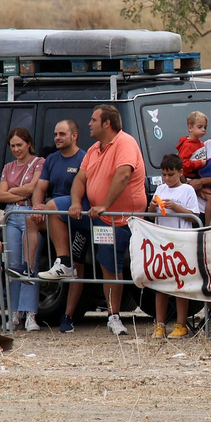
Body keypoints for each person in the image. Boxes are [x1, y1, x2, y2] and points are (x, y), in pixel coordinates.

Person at [69, 104, 148, 336]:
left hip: (122, 218)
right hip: (100, 216)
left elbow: (124, 175)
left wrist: (105, 205)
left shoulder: (125, 143)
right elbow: (80, 179)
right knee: (107, 267)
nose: (89, 124)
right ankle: (64, 261)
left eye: (93, 120)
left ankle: (116, 315)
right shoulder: (94, 149)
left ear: (107, 123)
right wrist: (75, 202)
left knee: (116, 267)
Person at [34, 119, 90, 331]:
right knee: (31, 218)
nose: (57, 138)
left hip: (76, 215)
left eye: (62, 134)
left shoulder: (84, 158)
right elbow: (40, 187)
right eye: (55, 134)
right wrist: (36, 206)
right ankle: (28, 268)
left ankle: (67, 316)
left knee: (78, 268)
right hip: (53, 213)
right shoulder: (51, 159)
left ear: (74, 136)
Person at [148, 153, 204, 338]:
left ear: (180, 172)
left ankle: (181, 324)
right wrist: (151, 207)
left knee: (180, 283)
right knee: (161, 284)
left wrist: (176, 207)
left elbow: (194, 216)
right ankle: (160, 324)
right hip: (161, 241)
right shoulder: (160, 188)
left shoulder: (187, 190)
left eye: (171, 175)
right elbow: (150, 216)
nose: (167, 179)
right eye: (164, 174)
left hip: (180, 241)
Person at [0, 127, 44, 333]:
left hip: (29, 214)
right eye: (13, 146)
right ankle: (15, 312)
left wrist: (11, 191)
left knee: (30, 264)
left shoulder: (38, 162)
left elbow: (34, 188)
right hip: (11, 215)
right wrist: (20, 193)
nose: (16, 149)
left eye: (19, 145)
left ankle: (30, 313)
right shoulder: (8, 167)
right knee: (14, 265)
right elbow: (0, 195)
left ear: (29, 144)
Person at [174, 111, 211, 222]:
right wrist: (199, 164)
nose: (203, 130)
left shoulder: (201, 143)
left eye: (205, 127)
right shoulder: (187, 145)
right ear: (190, 127)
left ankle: (207, 224)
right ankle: (206, 225)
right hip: (189, 178)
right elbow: (182, 164)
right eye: (200, 127)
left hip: (198, 177)